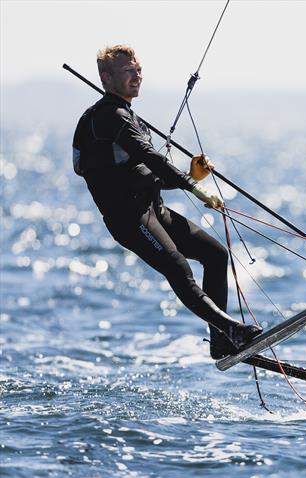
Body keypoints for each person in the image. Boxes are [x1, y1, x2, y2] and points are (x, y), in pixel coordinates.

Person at [72, 44, 261, 359]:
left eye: (138, 69)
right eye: (127, 71)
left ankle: (221, 341)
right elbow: (149, 156)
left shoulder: (129, 117)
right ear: (106, 78)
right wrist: (194, 187)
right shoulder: (108, 118)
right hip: (129, 219)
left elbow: (146, 174)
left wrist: (191, 175)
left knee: (215, 255)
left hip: (152, 209)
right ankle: (232, 328)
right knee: (178, 266)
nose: (137, 75)